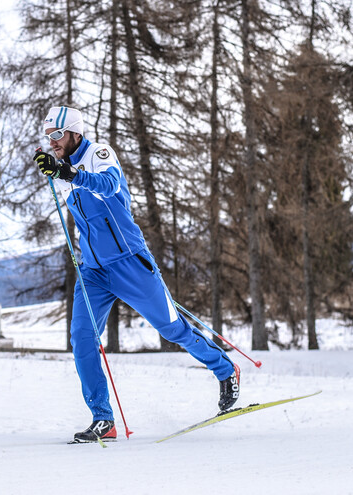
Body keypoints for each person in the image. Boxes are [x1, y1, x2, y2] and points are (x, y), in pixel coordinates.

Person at [32, 106, 240, 443]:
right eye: (48, 138)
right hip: (94, 271)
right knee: (82, 339)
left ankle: (225, 369)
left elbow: (109, 186)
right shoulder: (63, 168)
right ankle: (103, 419)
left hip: (129, 261)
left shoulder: (99, 153)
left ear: (73, 133)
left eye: (57, 135)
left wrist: (68, 173)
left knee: (171, 328)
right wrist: (59, 172)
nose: (52, 142)